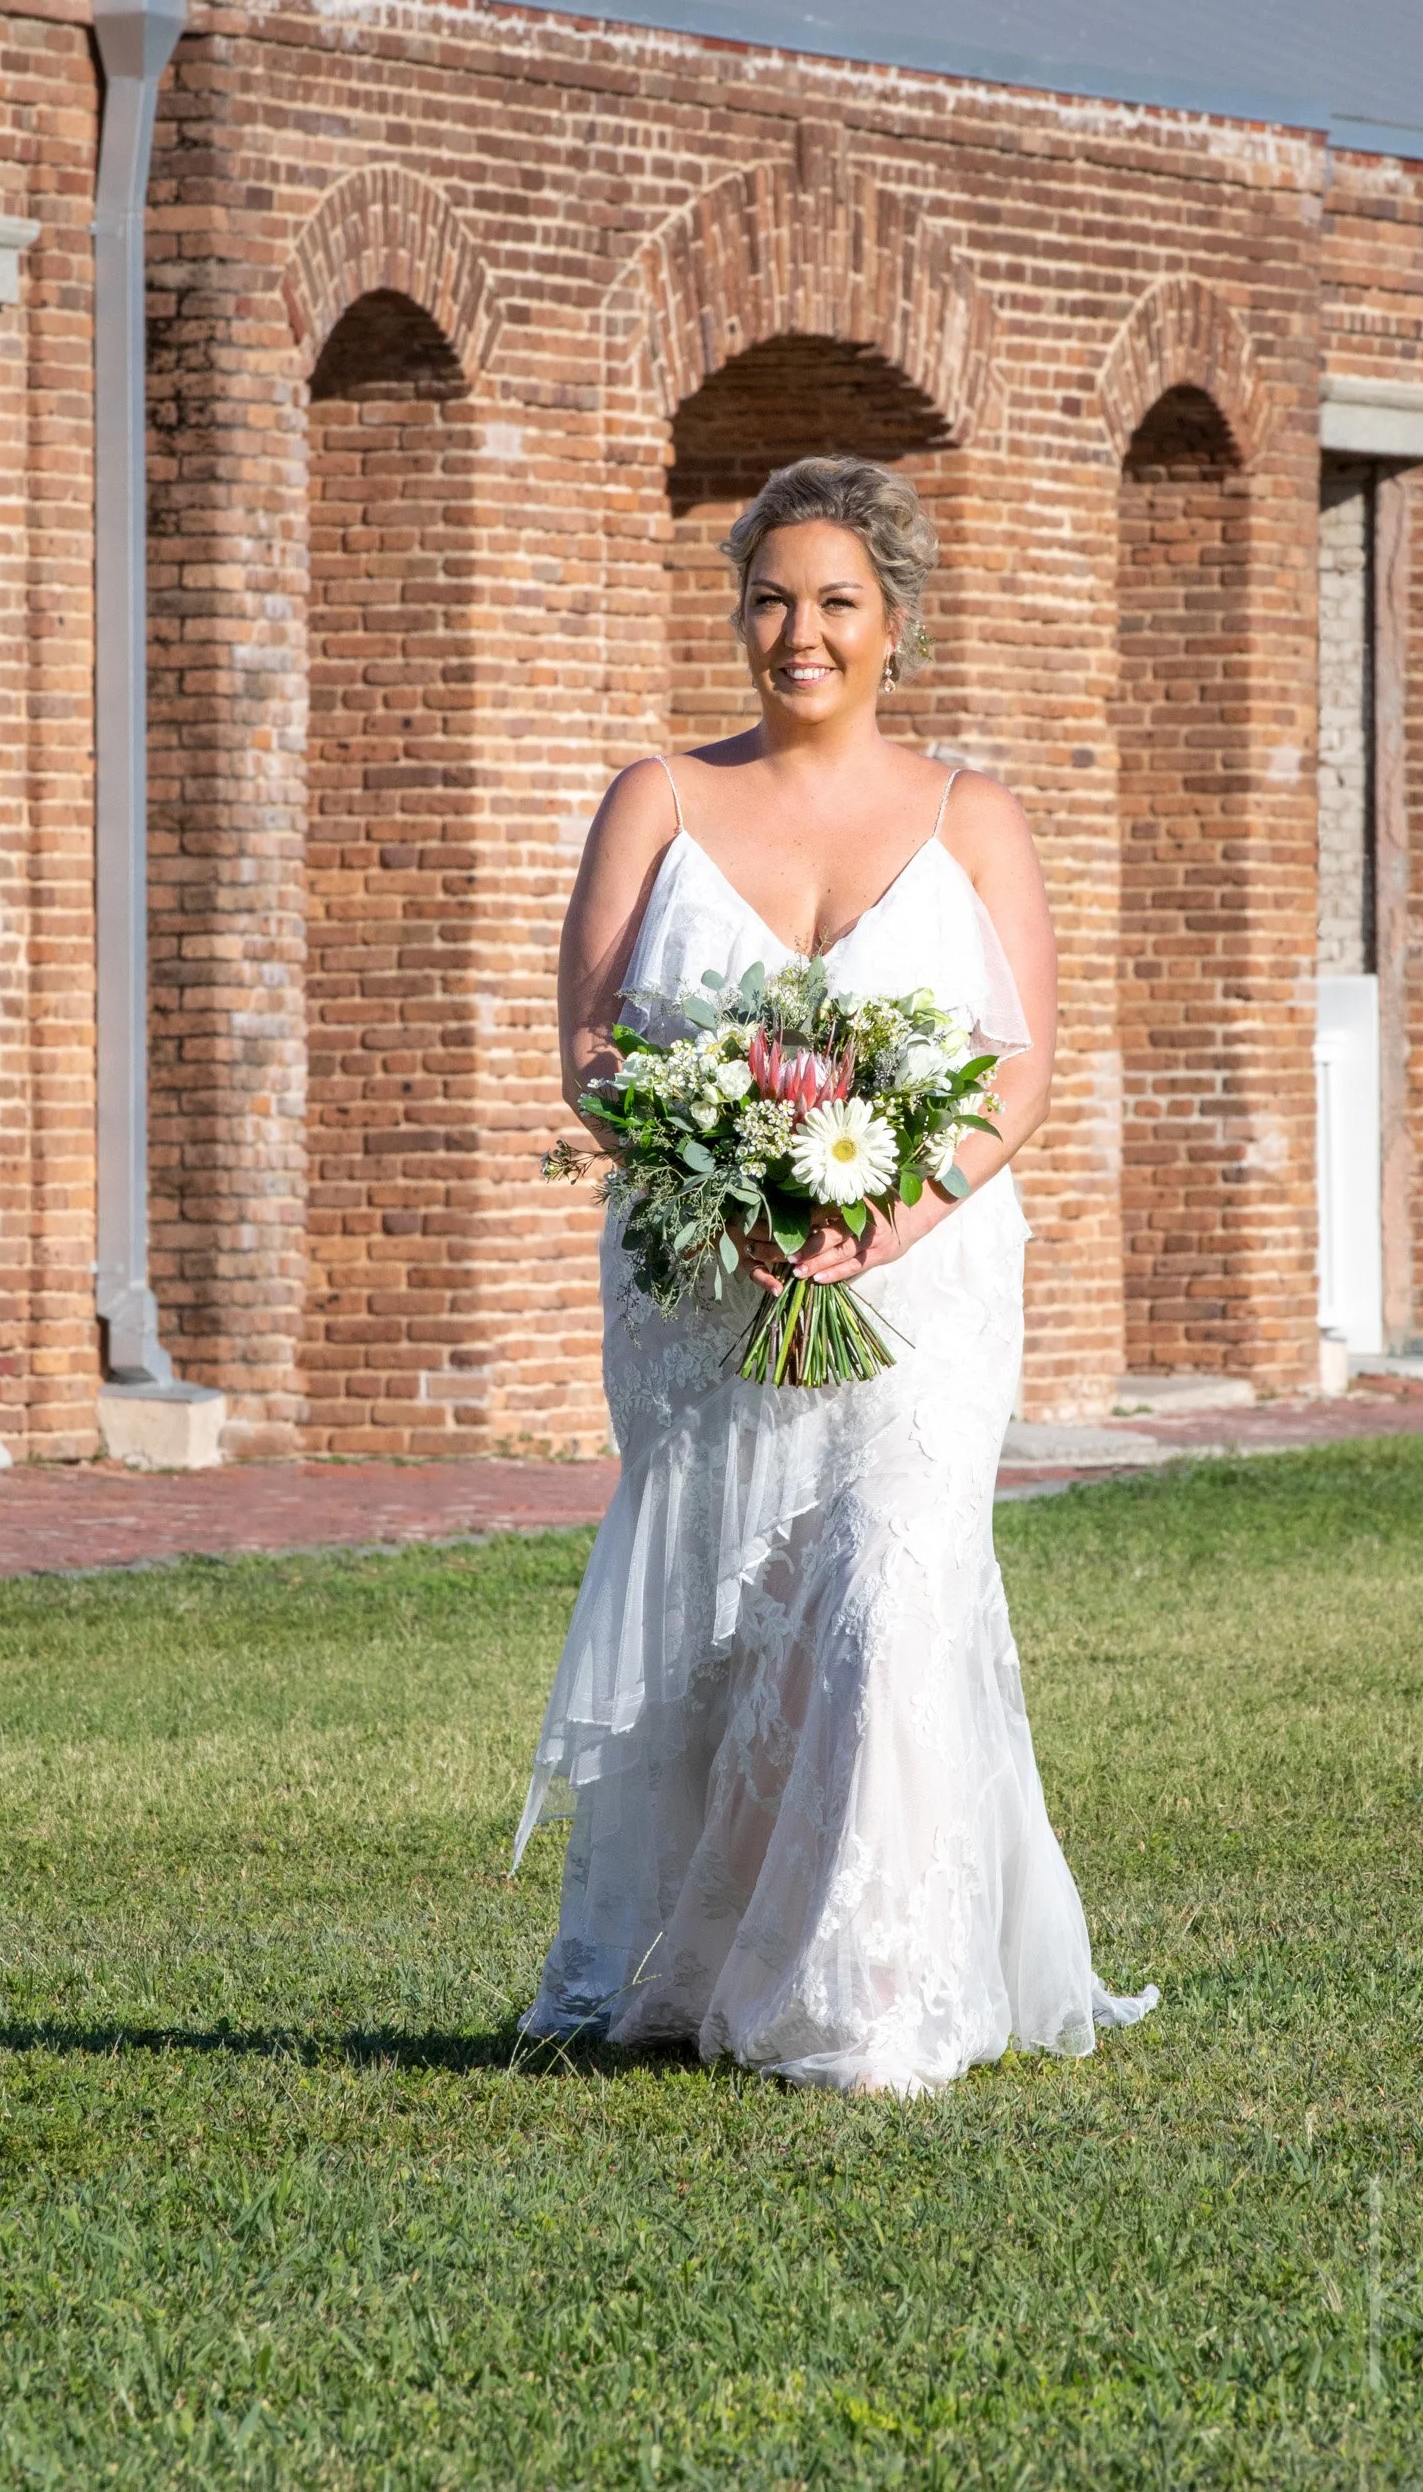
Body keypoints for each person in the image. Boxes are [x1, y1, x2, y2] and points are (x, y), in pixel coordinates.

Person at [514, 455, 1157, 2096]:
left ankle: (879, 1992)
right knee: (735, 1610)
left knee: (882, 1592)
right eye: (771, 599)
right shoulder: (655, 798)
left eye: (835, 602)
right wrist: (723, 1192)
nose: (798, 632)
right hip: (704, 1277)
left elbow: (1020, 1069)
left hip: (920, 1281)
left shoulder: (975, 817)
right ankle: (704, 1965)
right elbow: (595, 1046)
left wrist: (890, 1217)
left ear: (895, 626)